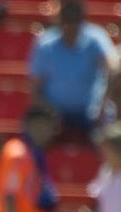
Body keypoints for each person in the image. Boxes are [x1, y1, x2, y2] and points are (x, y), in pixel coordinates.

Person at [29, 0, 119, 140]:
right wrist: (44, 110)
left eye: (75, 18)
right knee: (35, 128)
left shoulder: (95, 38)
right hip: (55, 114)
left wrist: (103, 103)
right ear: (60, 18)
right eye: (67, 18)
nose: (70, 24)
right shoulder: (46, 43)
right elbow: (35, 86)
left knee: (109, 130)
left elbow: (113, 69)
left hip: (90, 113)